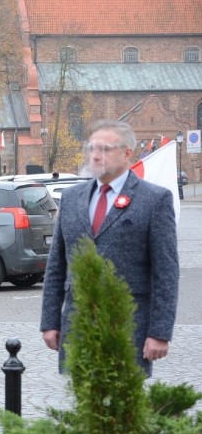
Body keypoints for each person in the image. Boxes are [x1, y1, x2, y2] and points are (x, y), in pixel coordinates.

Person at [41, 120, 179, 376]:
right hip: (78, 324)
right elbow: (57, 266)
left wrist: (159, 332)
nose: (95, 155)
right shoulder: (72, 199)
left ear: (127, 153)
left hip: (129, 325)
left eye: (105, 149)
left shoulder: (154, 199)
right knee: (84, 406)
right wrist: (50, 321)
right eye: (92, 148)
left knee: (122, 410)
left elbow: (166, 272)